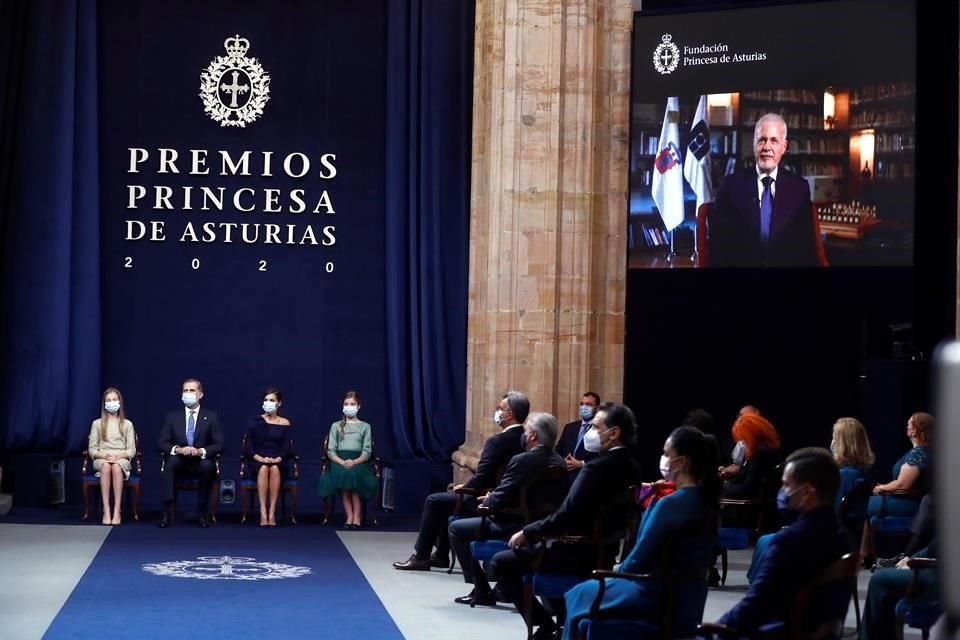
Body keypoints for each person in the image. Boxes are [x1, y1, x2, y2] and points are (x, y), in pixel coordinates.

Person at [486, 402, 644, 639]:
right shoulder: (632, 467)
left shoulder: (594, 469)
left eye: (595, 427)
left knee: (500, 562)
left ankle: (546, 625)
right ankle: (562, 620)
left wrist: (528, 532)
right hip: (606, 550)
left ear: (614, 433)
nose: (590, 432)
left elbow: (566, 515)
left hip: (576, 550)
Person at [562, 426, 720, 640]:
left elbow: (637, 559)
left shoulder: (670, 505)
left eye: (666, 454)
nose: (663, 459)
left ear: (681, 462)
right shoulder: (708, 503)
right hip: (690, 597)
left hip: (653, 594)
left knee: (580, 593)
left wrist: (618, 569)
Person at [715, 448, 851, 634]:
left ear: (806, 492)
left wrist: (711, 630)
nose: (782, 492)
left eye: (786, 485)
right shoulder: (843, 538)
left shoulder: (789, 542)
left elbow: (753, 608)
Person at [392, 390, 528, 570]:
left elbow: (483, 477)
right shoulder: (527, 439)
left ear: (509, 414)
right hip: (515, 502)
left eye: (500, 409)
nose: (497, 412)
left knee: (435, 500)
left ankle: (421, 556)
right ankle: (441, 555)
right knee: (445, 502)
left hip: (488, 501)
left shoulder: (497, 442)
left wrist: (464, 487)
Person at [449, 412, 568, 606]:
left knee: (456, 528)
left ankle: (480, 589)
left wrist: (487, 500)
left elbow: (500, 499)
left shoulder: (522, 460)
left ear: (532, 436)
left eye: (527, 430)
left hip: (514, 525)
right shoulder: (559, 462)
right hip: (542, 526)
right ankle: (500, 588)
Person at [746, 416, 875, 582]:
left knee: (767, 541)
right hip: (845, 540)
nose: (832, 443)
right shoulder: (861, 476)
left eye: (835, 439)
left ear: (842, 444)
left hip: (826, 542)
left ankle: (764, 588)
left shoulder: (842, 477)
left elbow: (828, 516)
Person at [710, 113, 822, 267]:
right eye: (762, 140)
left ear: (784, 147)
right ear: (754, 144)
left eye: (774, 141)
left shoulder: (799, 188)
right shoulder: (731, 185)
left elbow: (804, 247)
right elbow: (719, 245)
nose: (767, 147)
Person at [860, 412, 934, 563]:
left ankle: (858, 555)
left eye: (909, 424)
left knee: (859, 503)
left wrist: (882, 488)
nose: (907, 426)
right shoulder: (922, 452)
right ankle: (864, 555)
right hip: (907, 500)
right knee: (864, 509)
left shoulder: (919, 453)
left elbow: (902, 484)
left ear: (915, 430)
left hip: (909, 503)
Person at [157, 378, 224, 528]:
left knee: (208, 467)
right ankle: (166, 512)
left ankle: (201, 512)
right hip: (180, 459)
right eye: (185, 390)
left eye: (192, 390)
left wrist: (201, 451)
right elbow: (162, 442)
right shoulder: (172, 417)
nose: (188, 394)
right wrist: (178, 449)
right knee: (170, 463)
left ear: (200, 394)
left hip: (200, 460)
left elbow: (219, 444)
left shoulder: (211, 417)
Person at [318, 391, 378, 529]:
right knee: (345, 476)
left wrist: (355, 461)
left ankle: (357, 517)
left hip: (359, 461)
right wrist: (341, 461)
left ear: (358, 406)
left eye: (352, 404)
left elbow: (367, 450)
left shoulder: (365, 426)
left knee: (354, 476)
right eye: (346, 404)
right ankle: (349, 516)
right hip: (339, 461)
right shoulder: (336, 426)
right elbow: (331, 450)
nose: (349, 406)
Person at [87, 387, 136, 525]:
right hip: (102, 458)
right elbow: (92, 449)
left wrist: (120, 455)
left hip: (121, 458)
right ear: (104, 404)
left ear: (119, 402)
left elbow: (131, 450)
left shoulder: (127, 424)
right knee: (106, 467)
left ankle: (117, 510)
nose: (112, 402)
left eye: (114, 399)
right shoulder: (97, 424)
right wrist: (104, 455)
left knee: (115, 467)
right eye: (108, 400)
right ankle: (106, 510)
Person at [245, 387, 293, 527]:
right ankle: (262, 511)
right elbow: (249, 446)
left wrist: (278, 459)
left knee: (275, 469)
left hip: (279, 461)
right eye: (266, 400)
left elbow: (287, 447)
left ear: (279, 403)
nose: (268, 403)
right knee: (265, 468)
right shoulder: (255, 421)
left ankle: (272, 511)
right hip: (258, 461)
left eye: (272, 400)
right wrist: (260, 458)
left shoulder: (285, 423)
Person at [555, 392, 600, 476]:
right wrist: (562, 461)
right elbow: (558, 450)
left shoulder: (601, 429)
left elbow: (602, 457)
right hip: (565, 477)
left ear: (597, 408)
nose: (584, 407)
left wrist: (582, 464)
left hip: (587, 476)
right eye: (582, 404)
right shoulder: (570, 427)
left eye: (588, 404)